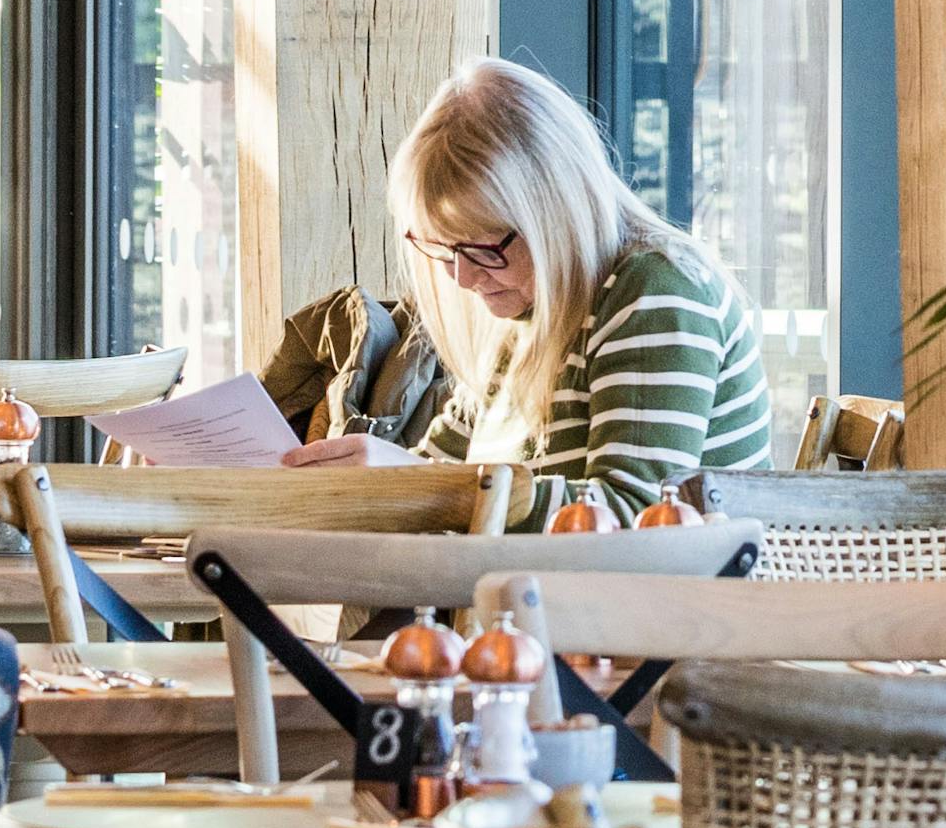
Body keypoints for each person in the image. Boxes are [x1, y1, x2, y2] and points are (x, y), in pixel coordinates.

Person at [292, 57, 771, 523]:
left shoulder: (655, 294)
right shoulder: (524, 315)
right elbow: (442, 471)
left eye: (483, 248)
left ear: (555, 217)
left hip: (670, 602)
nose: (462, 276)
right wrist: (379, 482)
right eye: (442, 248)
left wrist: (414, 483)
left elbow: (636, 515)